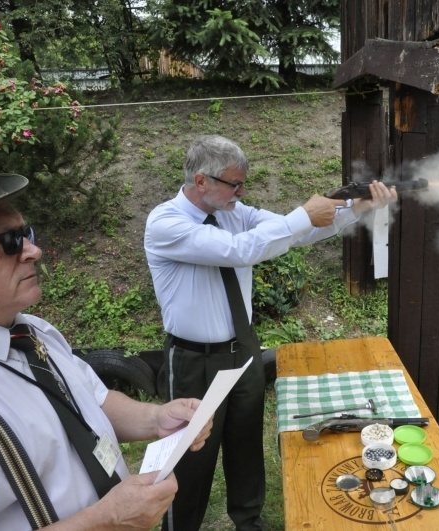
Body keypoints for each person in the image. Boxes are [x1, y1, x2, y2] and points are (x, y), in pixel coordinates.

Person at [0, 147, 213, 530]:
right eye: (9, 241)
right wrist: (109, 518)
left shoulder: (30, 330)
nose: (34, 251)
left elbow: (93, 401)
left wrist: (156, 418)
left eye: (26, 233)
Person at [144, 134, 396, 530]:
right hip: (193, 357)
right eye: (234, 183)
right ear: (200, 181)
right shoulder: (166, 223)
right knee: (191, 453)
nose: (241, 191)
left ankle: (249, 519)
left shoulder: (233, 210)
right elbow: (239, 250)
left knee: (246, 442)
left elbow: (293, 232)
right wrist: (301, 214)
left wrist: (355, 208)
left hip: (242, 349)